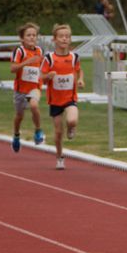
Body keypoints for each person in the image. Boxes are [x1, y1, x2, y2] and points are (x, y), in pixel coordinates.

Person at [40, 24, 85, 170]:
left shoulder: (74, 57)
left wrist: (80, 79)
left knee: (72, 120)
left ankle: (71, 128)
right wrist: (49, 75)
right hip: (55, 100)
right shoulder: (49, 58)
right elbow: (41, 77)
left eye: (67, 36)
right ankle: (59, 157)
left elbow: (79, 70)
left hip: (70, 98)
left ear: (70, 39)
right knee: (58, 132)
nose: (64, 39)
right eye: (61, 36)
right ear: (55, 39)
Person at [10, 22, 45, 152]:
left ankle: (38, 131)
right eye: (28, 35)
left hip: (34, 87)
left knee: (34, 106)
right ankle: (16, 136)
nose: (32, 37)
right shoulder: (19, 51)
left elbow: (42, 68)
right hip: (20, 90)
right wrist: (26, 62)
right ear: (22, 38)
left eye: (34, 35)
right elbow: (13, 69)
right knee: (19, 116)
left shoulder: (40, 51)